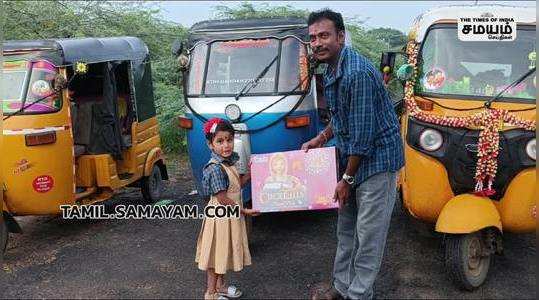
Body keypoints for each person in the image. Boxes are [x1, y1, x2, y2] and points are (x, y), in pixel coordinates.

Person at [302, 9, 405, 300]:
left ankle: (359, 294)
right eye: (313, 38)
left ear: (341, 36)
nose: (318, 42)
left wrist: (346, 179)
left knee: (368, 237)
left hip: (377, 164)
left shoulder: (356, 73)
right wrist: (320, 138)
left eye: (324, 35)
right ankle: (341, 287)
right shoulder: (332, 69)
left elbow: (362, 138)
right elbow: (341, 118)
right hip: (354, 160)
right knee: (346, 230)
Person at [195, 117, 259, 300]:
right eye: (220, 141)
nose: (226, 145)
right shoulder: (215, 168)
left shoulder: (228, 162)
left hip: (228, 216)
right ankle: (211, 293)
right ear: (210, 144)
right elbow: (222, 198)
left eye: (229, 140)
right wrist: (245, 211)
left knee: (223, 253)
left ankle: (221, 287)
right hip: (220, 218)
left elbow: (236, 184)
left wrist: (252, 173)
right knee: (216, 258)